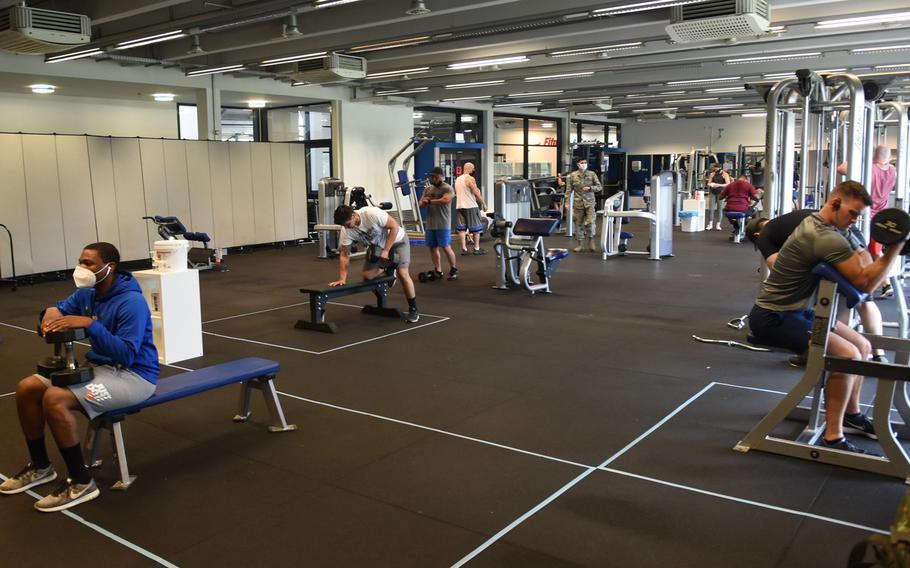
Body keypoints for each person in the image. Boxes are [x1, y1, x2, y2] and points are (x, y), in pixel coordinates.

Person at [0, 242, 158, 512]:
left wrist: (90, 325)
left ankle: (81, 482)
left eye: (89, 264)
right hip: (99, 368)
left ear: (110, 268)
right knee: (27, 388)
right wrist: (50, 316)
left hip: (134, 376)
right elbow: (59, 309)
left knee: (55, 398)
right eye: (81, 262)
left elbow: (126, 354)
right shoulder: (88, 293)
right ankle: (41, 467)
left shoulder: (132, 302)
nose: (82, 268)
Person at [747, 181, 903, 453]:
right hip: (773, 317)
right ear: (835, 204)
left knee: (864, 346)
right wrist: (894, 248)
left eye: (859, 216)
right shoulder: (823, 236)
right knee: (847, 356)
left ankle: (851, 414)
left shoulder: (835, 228)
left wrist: (883, 249)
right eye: (852, 214)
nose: (854, 221)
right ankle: (833, 437)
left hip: (798, 311)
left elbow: (865, 261)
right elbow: (866, 282)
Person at [746, 210, 889, 365]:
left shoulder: (765, 236)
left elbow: (777, 266)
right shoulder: (785, 220)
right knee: (863, 299)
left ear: (756, 235)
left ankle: (829, 354)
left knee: (831, 299)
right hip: (849, 233)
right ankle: (878, 355)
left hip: (830, 240)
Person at [331, 204, 420, 323]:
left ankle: (413, 309)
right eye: (344, 226)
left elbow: (395, 227)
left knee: (403, 273)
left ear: (353, 215)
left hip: (398, 240)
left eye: (347, 224)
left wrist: (386, 251)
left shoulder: (371, 214)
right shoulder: (346, 231)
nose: (346, 228)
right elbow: (344, 254)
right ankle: (388, 268)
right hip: (378, 247)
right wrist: (342, 278)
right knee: (367, 276)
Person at [838, 146, 897, 297]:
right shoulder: (892, 170)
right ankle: (883, 284)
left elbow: (841, 169)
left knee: (870, 252)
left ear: (873, 155)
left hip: (867, 216)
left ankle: (885, 283)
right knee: (873, 251)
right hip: (882, 216)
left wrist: (860, 154)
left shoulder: (869, 169)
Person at [418, 167, 459, 280]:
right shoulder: (428, 189)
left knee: (446, 247)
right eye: (432, 176)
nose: (433, 178)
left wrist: (430, 201)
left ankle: (453, 269)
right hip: (431, 223)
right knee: (432, 247)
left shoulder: (447, 188)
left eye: (435, 176)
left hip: (443, 223)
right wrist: (423, 202)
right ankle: (438, 270)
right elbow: (420, 205)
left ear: (441, 176)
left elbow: (446, 200)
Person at [566, 157, 601, 252]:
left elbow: (599, 187)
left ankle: (591, 241)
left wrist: (590, 188)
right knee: (578, 223)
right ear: (578, 164)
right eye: (582, 162)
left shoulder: (592, 174)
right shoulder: (572, 176)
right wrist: (567, 202)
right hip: (578, 203)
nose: (584, 164)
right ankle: (580, 244)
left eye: (585, 162)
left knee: (590, 222)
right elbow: (568, 191)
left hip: (590, 202)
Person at [453, 162, 488, 256]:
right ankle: (476, 248)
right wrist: (484, 203)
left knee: (461, 229)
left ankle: (464, 249)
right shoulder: (470, 178)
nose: (473, 171)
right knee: (476, 229)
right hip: (471, 206)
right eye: (473, 169)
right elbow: (476, 192)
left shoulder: (458, 179)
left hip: (460, 206)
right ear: (469, 168)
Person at [719, 175, 759, 239]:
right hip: (743, 208)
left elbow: (720, 197)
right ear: (746, 180)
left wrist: (727, 195)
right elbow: (757, 197)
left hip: (729, 208)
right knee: (755, 210)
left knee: (731, 215)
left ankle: (736, 226)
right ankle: (749, 227)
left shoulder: (730, 185)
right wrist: (753, 196)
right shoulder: (748, 185)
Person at [705, 162, 732, 231]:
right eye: (714, 167)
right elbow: (708, 183)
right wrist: (711, 184)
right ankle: (710, 224)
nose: (715, 169)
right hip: (713, 192)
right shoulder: (712, 174)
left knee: (719, 209)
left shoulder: (725, 174)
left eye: (716, 167)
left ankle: (718, 225)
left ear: (720, 168)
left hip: (721, 193)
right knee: (711, 209)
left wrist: (718, 185)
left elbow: (728, 184)